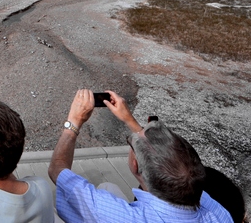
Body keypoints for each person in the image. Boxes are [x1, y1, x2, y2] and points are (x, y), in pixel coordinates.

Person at [48, 89, 232, 223]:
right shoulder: (216, 212)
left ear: (135, 165)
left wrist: (73, 122)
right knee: (108, 187)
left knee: (51, 214)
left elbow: (57, 170)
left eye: (132, 145)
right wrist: (130, 120)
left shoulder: (124, 217)